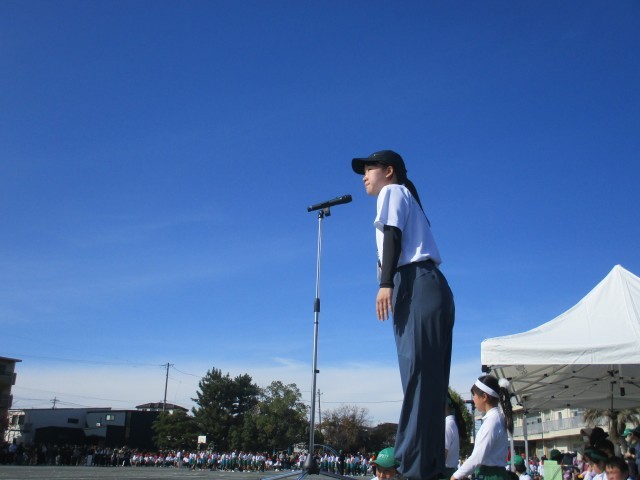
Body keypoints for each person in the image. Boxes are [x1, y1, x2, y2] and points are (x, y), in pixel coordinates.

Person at [352, 150, 455, 480]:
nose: (364, 176)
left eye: (369, 168)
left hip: (414, 281)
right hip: (429, 284)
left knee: (418, 379)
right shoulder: (406, 196)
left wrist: (385, 284)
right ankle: (428, 468)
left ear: (389, 171)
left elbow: (392, 234)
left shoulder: (392, 191)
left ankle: (410, 469)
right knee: (430, 383)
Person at [450, 375, 514, 480]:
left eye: (474, 395)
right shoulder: (496, 418)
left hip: (491, 476)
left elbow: (477, 457)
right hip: (491, 474)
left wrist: (455, 476)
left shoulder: (492, 421)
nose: (473, 399)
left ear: (484, 397)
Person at [445, 392, 466, 479]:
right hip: (449, 472)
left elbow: (442, 456)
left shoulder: (447, 425)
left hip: (445, 474)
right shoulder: (451, 423)